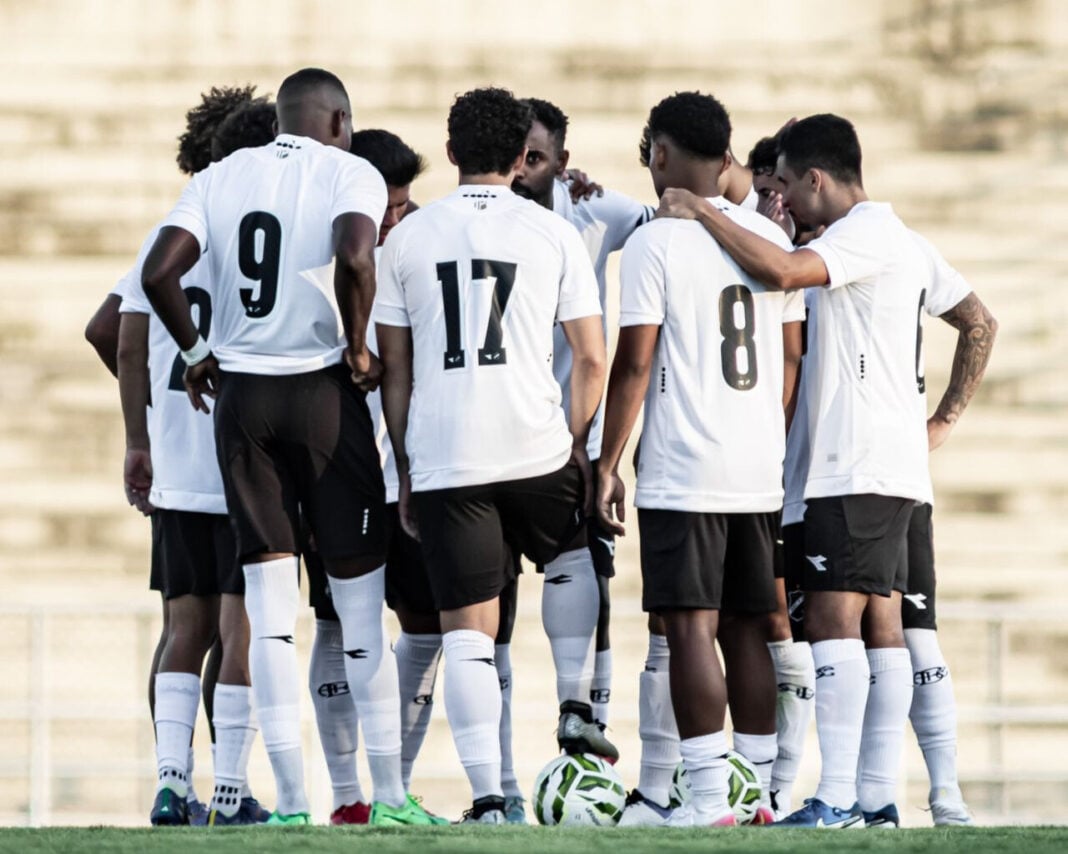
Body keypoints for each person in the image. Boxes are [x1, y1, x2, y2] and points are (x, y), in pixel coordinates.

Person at [656, 112, 997, 828]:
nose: (783, 200)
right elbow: (979, 321)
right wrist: (936, 424)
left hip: (855, 464)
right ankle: (880, 797)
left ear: (816, 179)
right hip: (890, 468)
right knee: (885, 627)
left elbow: (780, 270)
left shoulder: (862, 235)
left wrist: (696, 210)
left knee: (837, 625)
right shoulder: (900, 237)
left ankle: (838, 795)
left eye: (788, 185)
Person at [141, 67, 441, 827]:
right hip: (319, 395)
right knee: (359, 608)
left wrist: (197, 349)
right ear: (339, 120)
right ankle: (387, 796)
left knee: (269, 616)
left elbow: (157, 273)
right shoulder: (351, 170)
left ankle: (293, 803)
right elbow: (354, 254)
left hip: (241, 404)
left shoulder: (219, 174)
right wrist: (357, 344)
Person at [375, 86, 606, 824]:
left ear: (449, 153)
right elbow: (593, 359)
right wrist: (572, 442)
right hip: (535, 444)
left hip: (448, 457)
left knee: (467, 632)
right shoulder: (552, 233)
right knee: (571, 553)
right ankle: (574, 701)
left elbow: (397, 370)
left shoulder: (407, 238)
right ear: (520, 157)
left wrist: (410, 468)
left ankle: (489, 799)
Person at [597, 91, 803, 828]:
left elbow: (633, 364)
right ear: (727, 157)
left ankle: (710, 799)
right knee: (749, 627)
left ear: (658, 152)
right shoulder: (768, 236)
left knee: (689, 627)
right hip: (756, 466)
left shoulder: (657, 240)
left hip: (685, 463)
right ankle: (759, 797)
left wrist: (607, 460)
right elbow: (790, 358)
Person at [96, 84, 272, 827]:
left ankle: (172, 783)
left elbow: (117, 334)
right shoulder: (263, 229)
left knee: (183, 626)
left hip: (177, 459)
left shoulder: (165, 233)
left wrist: (142, 433)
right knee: (243, 629)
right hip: (247, 458)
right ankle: (230, 791)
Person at [512, 96, 655, 764]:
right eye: (515, 155)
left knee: (591, 577)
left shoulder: (598, 212)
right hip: (500, 433)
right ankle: (501, 783)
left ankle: (588, 731)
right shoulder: (485, 217)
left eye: (536, 158)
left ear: (564, 165)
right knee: (492, 606)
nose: (521, 170)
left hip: (574, 436)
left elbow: (669, 221)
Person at [301, 128, 431, 826]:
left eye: (405, 207)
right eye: (387, 207)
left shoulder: (419, 258)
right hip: (340, 478)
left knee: (428, 630)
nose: (395, 220)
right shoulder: (327, 269)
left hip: (409, 477)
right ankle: (349, 795)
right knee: (333, 627)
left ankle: (395, 787)